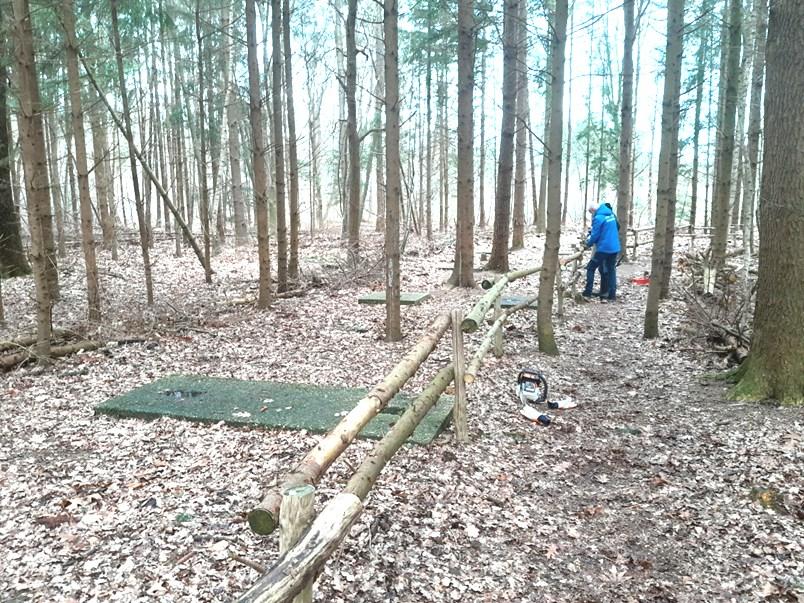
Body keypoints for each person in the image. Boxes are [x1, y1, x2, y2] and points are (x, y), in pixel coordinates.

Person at [582, 203, 621, 302]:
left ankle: (587, 292)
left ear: (593, 210)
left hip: (604, 248)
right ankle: (611, 295)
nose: (592, 215)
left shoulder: (598, 218)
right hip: (614, 247)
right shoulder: (611, 214)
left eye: (591, 213)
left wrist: (587, 244)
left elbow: (595, 235)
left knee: (590, 268)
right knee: (611, 270)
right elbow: (616, 227)